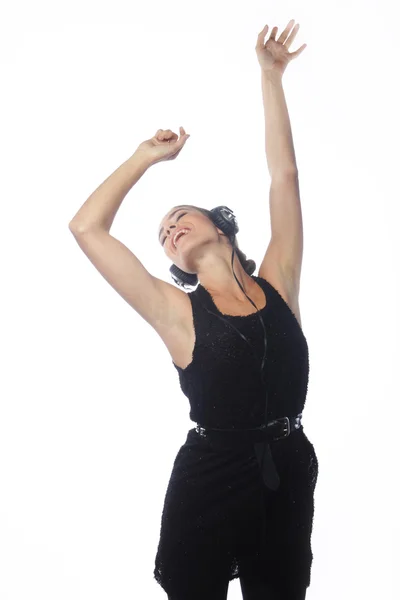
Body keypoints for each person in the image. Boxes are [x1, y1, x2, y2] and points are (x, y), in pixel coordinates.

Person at [68, 18, 317, 600]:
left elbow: (285, 175)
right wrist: (143, 157)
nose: (169, 228)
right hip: (210, 480)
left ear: (220, 225)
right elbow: (86, 228)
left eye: (180, 215)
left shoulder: (279, 278)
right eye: (161, 233)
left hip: (289, 467)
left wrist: (271, 76)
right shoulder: (175, 311)